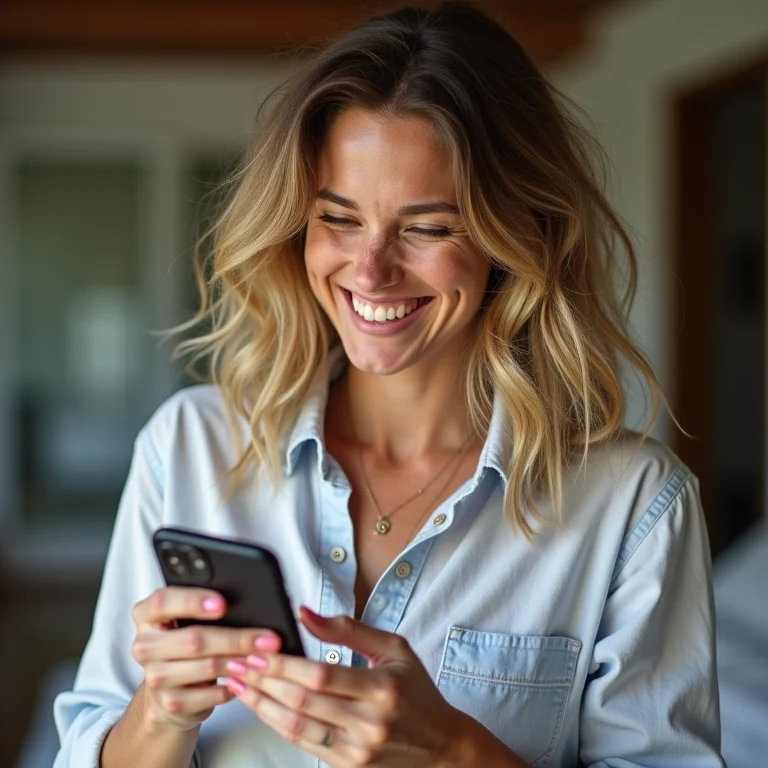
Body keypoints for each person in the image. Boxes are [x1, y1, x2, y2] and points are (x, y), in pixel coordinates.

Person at [53, 4, 726, 767]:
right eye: (339, 218)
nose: (369, 271)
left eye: (428, 228)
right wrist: (162, 711)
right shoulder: (189, 447)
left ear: (519, 236)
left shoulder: (632, 504)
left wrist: (460, 755)